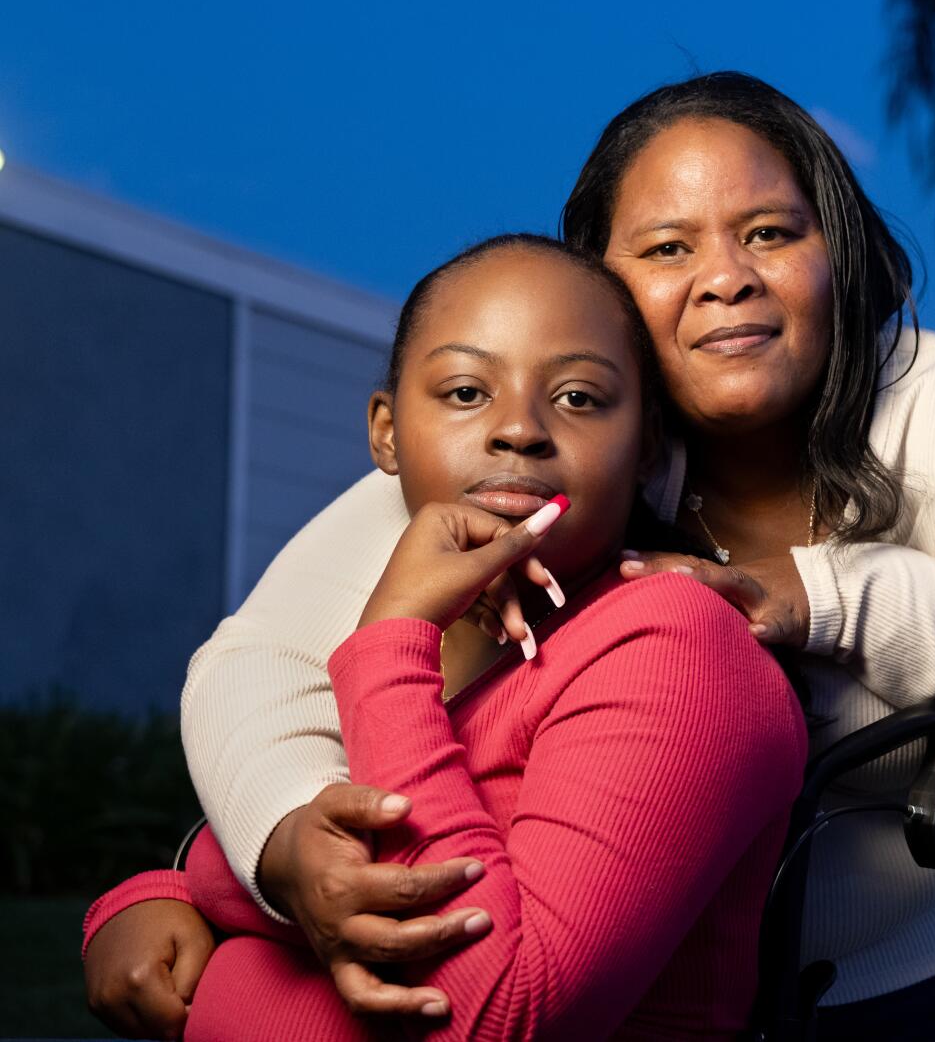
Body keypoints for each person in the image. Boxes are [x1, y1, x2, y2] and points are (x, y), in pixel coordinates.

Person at [87, 73, 935, 1041]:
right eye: (666, 246)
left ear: (840, 251)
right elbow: (259, 666)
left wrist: (834, 595)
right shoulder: (557, 435)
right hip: (700, 1001)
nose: (725, 275)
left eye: (769, 232)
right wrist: (280, 853)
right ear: (600, 289)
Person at [82, 235, 806, 1040]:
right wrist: (161, 896)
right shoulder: (448, 650)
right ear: (386, 434)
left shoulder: (677, 646)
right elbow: (320, 866)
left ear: (647, 450)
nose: (519, 431)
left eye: (578, 398)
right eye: (466, 391)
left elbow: (491, 1014)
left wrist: (391, 637)